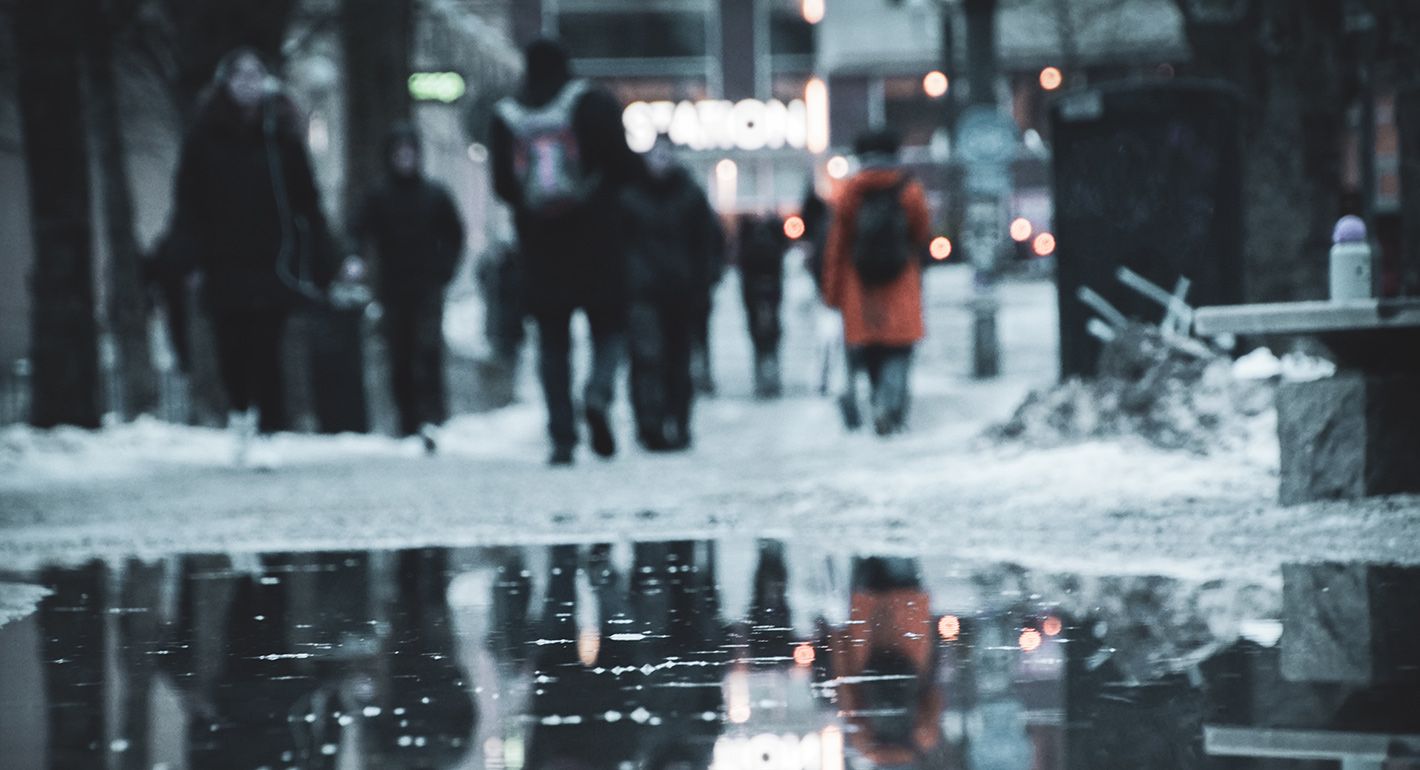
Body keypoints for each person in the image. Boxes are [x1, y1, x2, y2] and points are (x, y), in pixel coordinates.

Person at [169, 48, 334, 466]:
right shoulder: (204, 136)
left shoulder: (280, 134)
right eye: (239, 75)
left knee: (267, 342)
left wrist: (321, 254)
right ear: (224, 83)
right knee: (231, 342)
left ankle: (266, 426)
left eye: (255, 74)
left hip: (271, 257)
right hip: (222, 257)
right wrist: (188, 255)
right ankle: (240, 412)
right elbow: (188, 200)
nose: (248, 83)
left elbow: (306, 200)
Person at [490, 38, 640, 465]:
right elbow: (625, 166)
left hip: (540, 246)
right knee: (608, 329)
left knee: (552, 344)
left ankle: (561, 435)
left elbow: (503, 185)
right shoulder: (593, 102)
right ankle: (598, 392)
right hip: (597, 240)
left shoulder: (509, 115)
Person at [352, 124, 465, 452]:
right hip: (393, 286)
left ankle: (432, 418)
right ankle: (408, 421)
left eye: (409, 152)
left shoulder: (434, 194)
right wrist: (356, 258)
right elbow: (358, 229)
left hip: (427, 284)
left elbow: (454, 234)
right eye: (399, 152)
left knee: (427, 349)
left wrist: (445, 270)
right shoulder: (378, 195)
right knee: (400, 353)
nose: (404, 158)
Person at [821, 129, 930, 436]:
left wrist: (832, 294)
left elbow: (836, 247)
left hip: (860, 289)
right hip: (901, 284)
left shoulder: (850, 192)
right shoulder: (909, 190)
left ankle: (878, 401)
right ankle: (890, 408)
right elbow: (921, 234)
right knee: (899, 351)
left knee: (871, 354)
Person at [620, 135, 724, 451]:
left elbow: (710, 244)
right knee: (648, 358)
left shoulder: (690, 195)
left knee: (678, 360)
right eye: (656, 156)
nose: (661, 162)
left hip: (682, 292)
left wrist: (704, 282)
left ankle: (678, 422)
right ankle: (650, 424)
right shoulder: (629, 196)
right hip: (642, 293)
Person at [737, 213, 789, 398]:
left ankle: (761, 376)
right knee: (772, 331)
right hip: (771, 289)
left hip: (752, 290)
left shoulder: (747, 239)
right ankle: (772, 375)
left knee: (757, 334)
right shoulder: (773, 240)